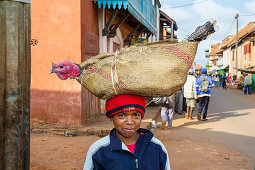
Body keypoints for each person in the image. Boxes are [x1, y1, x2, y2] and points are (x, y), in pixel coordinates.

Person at [83, 94, 171, 170]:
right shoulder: (98, 150)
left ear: (141, 117)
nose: (129, 122)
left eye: (136, 115)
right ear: (111, 117)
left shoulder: (157, 147)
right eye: (121, 115)